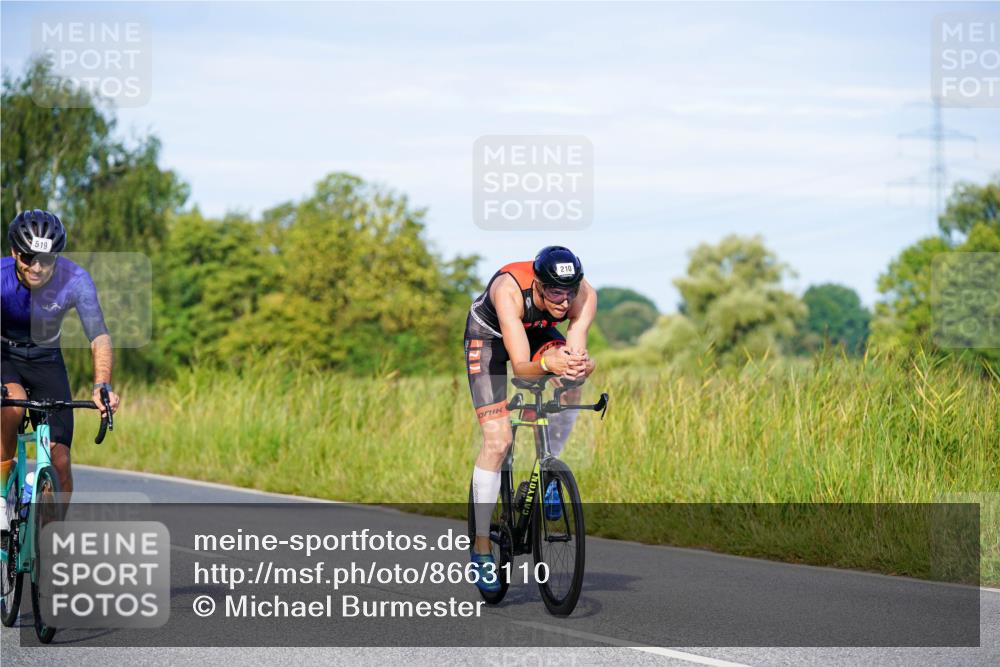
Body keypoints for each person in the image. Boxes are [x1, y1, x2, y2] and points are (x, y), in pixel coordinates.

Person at [464, 245, 596, 592]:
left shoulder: (584, 295)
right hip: (489, 338)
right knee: (498, 442)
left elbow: (575, 352)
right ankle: (481, 547)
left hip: (537, 332)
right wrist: (547, 364)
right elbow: (522, 367)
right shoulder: (509, 290)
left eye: (569, 292)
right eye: (555, 292)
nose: (564, 301)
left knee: (570, 379)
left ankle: (548, 471)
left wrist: (580, 366)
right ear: (537, 285)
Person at [1, 210, 121, 532]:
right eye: (28, 258)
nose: (37, 267)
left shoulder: (75, 279)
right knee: (12, 405)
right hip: (4, 355)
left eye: (46, 260)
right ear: (14, 252)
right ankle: (1, 497)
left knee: (61, 461)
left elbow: (99, 335)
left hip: (45, 359)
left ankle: (50, 536)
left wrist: (102, 385)